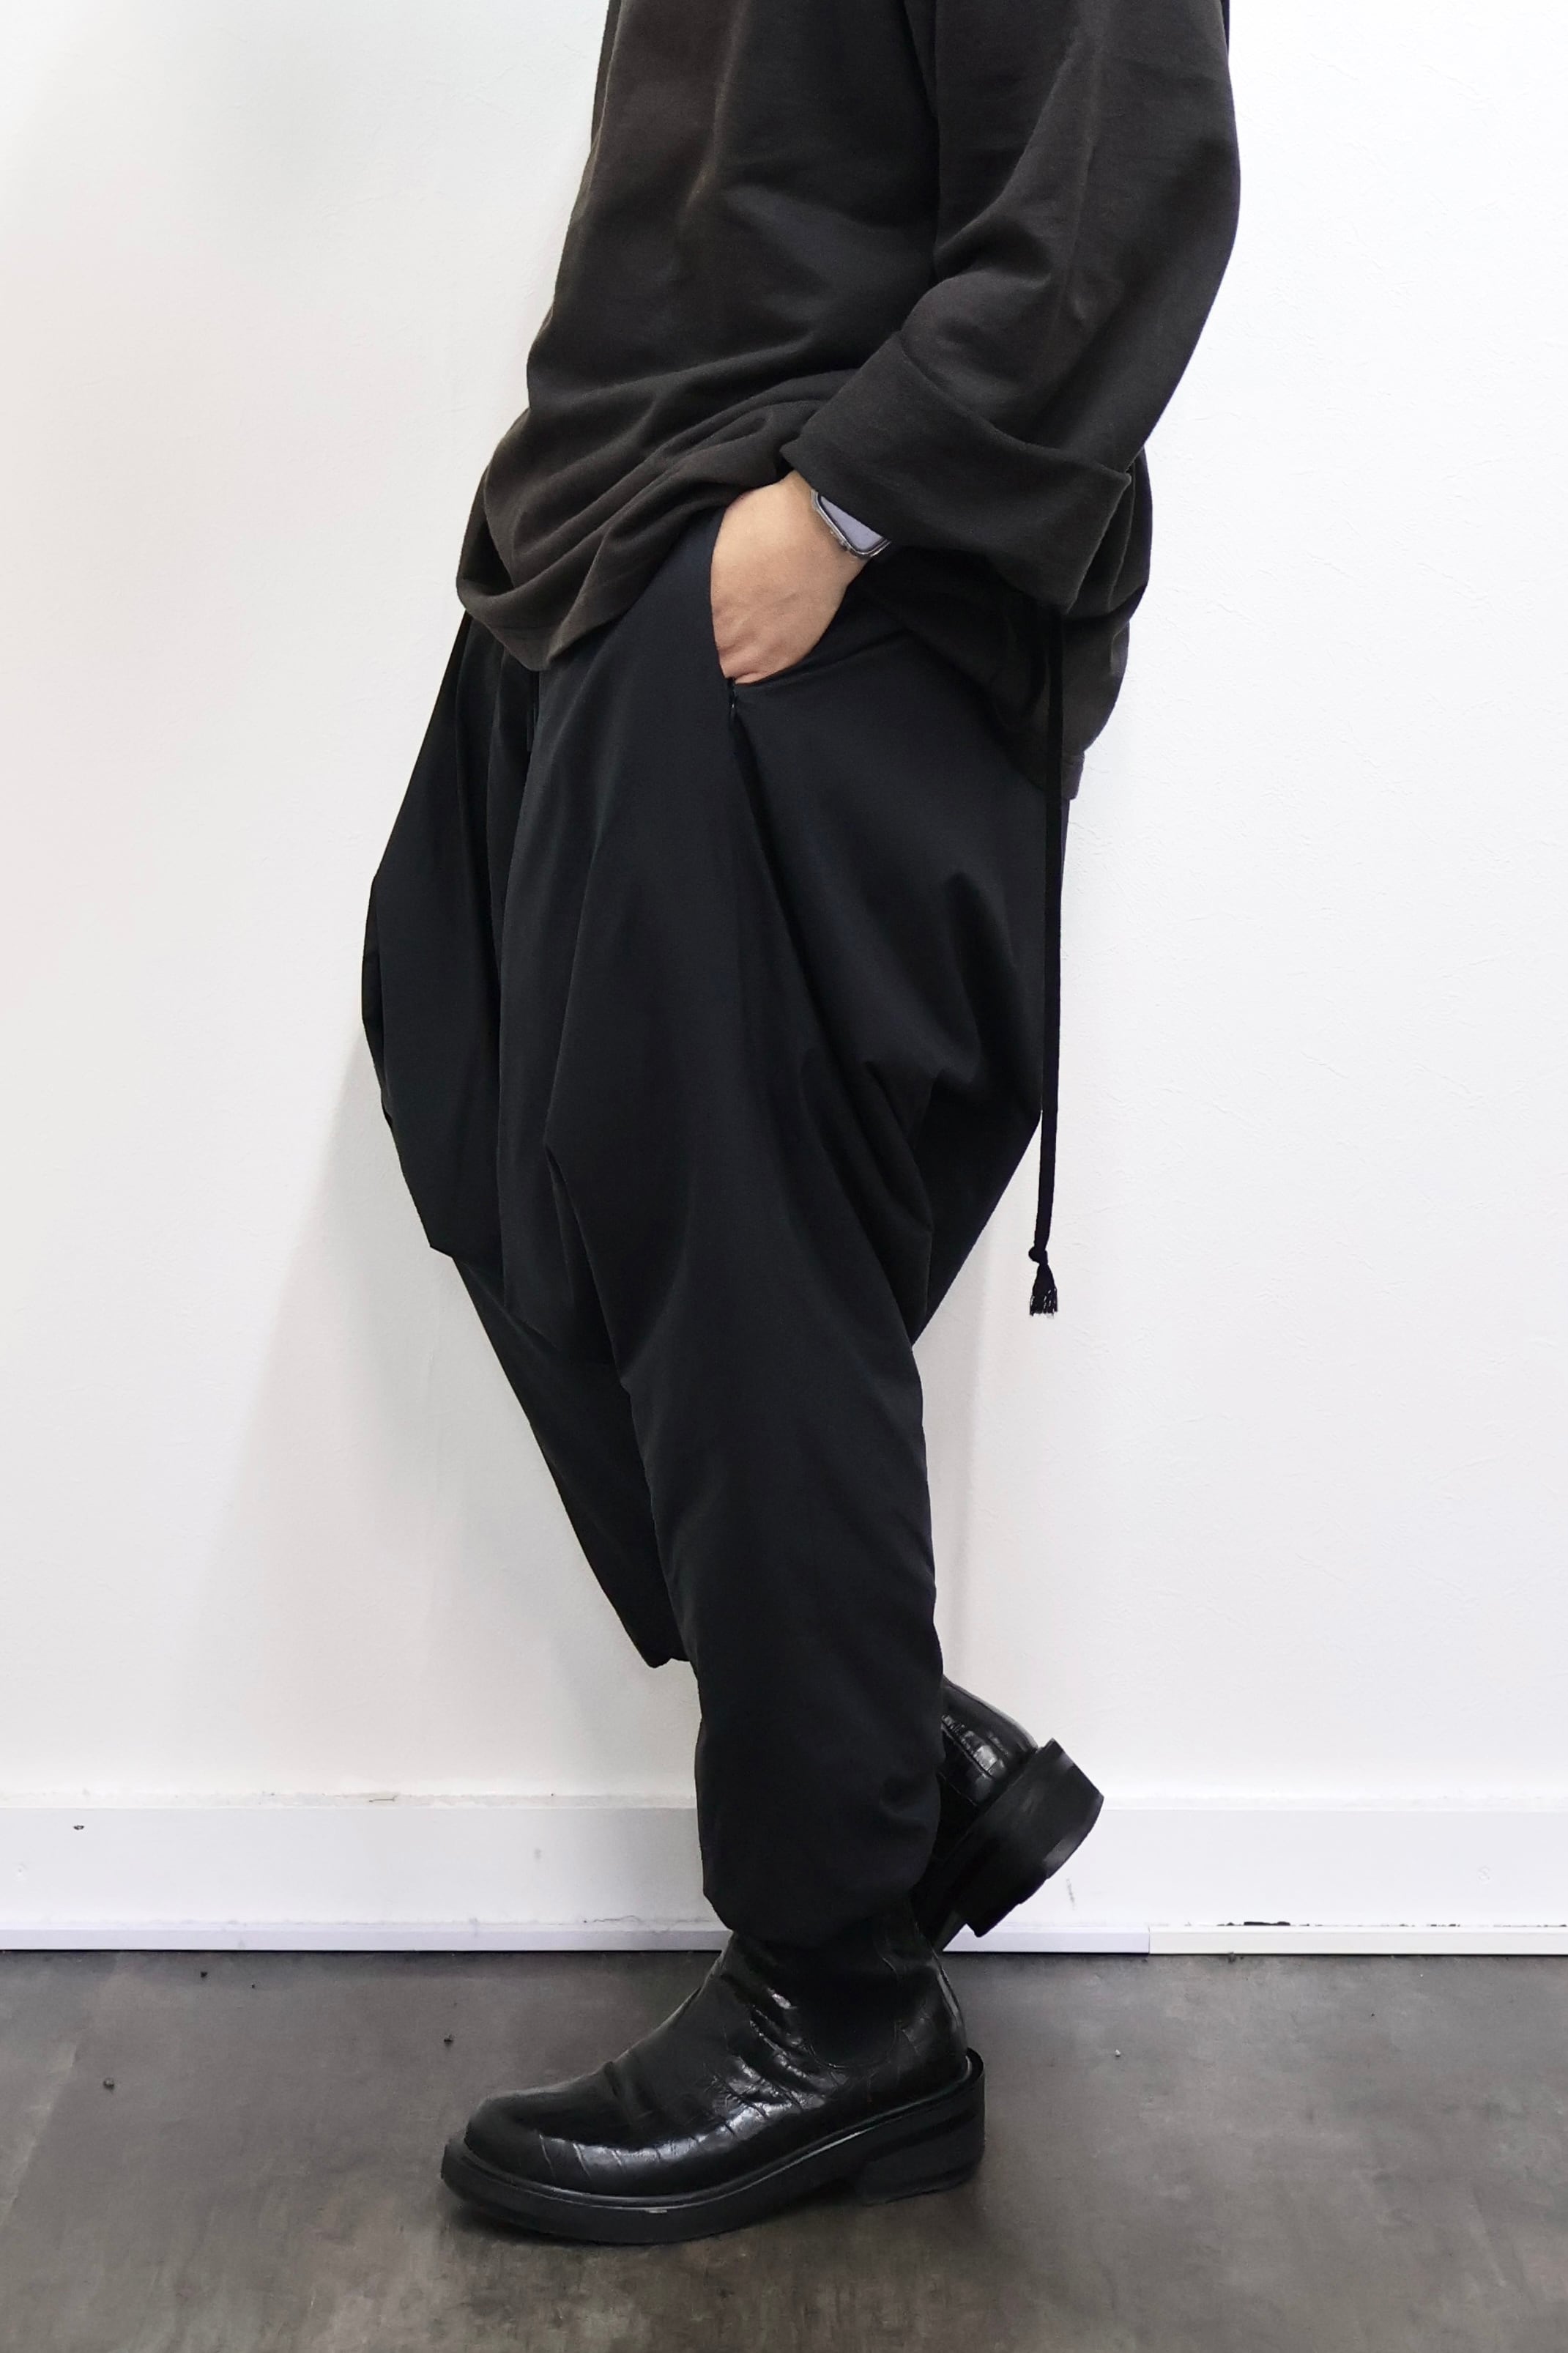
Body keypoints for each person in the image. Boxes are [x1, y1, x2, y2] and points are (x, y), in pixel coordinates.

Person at [364, 0, 1238, 2245]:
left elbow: (1122, 174)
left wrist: (848, 503)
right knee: (462, 1047)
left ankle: (838, 1997)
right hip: (602, 529)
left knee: (740, 1227)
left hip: (818, 565)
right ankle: (884, 1745)